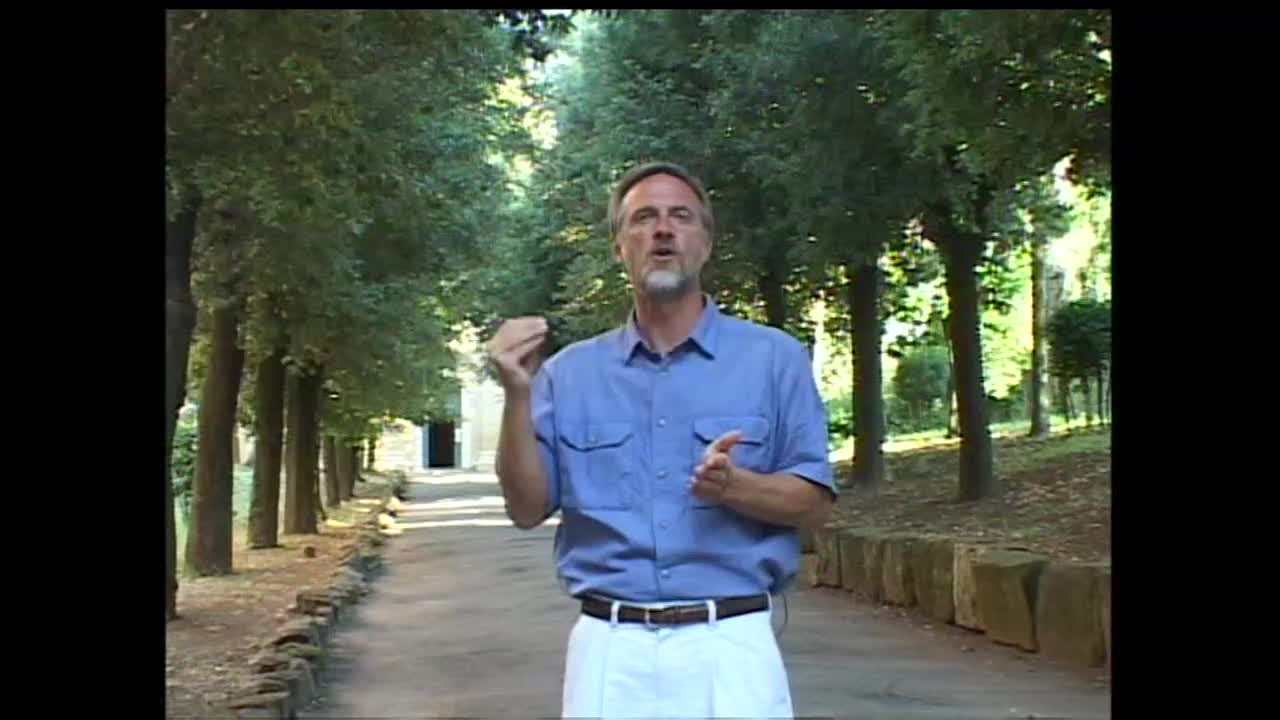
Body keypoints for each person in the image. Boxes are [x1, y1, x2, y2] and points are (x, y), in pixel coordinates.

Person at [486, 161, 836, 719]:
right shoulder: (567, 375)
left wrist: (735, 487)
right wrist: (517, 396)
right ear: (619, 246)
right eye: (643, 218)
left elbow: (813, 503)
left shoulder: (775, 360)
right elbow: (527, 509)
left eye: (681, 216)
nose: (663, 229)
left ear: (706, 242)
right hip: (609, 649)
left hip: (732, 647)